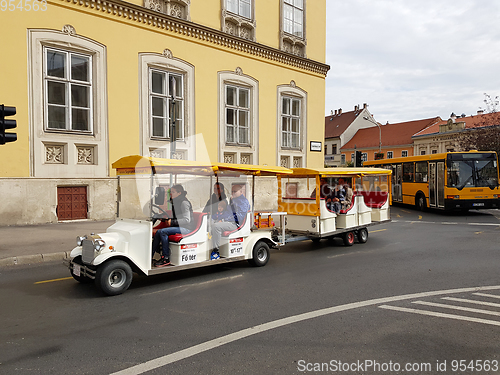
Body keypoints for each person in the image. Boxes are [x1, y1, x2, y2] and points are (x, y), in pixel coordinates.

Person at [152, 184, 195, 267]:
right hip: (179, 226)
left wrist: (172, 222)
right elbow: (176, 217)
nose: (171, 194)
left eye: (173, 192)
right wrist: (164, 219)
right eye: (170, 192)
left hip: (187, 228)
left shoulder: (184, 203)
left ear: (179, 193)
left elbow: (187, 220)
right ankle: (150, 256)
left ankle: (166, 258)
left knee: (162, 232)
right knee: (158, 232)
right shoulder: (175, 202)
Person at [210, 184, 250, 256]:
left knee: (216, 227)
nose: (233, 193)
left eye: (235, 191)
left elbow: (238, 217)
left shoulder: (243, 202)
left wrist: (223, 220)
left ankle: (216, 250)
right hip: (228, 221)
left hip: (235, 224)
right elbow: (227, 212)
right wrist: (218, 218)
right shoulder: (233, 200)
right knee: (208, 222)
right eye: (232, 191)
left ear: (241, 192)